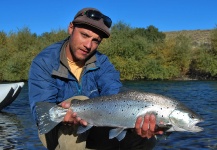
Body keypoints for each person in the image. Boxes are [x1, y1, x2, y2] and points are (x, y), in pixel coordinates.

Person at [28, 7, 163, 150]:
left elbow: (116, 96)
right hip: (56, 128)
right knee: (79, 103)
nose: (88, 45)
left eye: (95, 41)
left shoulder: (102, 62)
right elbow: (41, 113)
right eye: (84, 35)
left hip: (94, 122)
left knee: (145, 139)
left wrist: (134, 121)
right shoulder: (44, 62)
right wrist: (63, 117)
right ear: (71, 28)